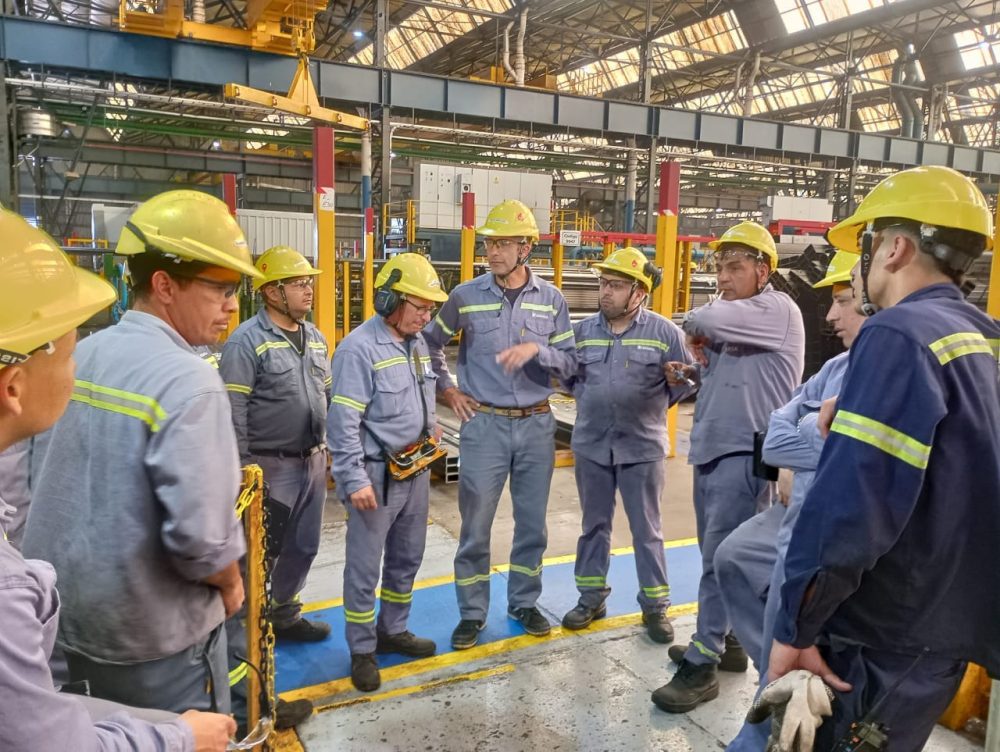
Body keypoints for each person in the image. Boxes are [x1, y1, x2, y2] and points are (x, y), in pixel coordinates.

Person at [768, 165, 1000, 751]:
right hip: (947, 628)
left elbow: (853, 509)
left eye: (868, 244)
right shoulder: (984, 336)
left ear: (895, 247)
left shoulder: (898, 333)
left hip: (884, 633)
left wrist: (798, 625)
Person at [0, 208, 236, 751]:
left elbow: (23, 478)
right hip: (152, 638)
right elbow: (201, 539)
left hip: (66, 622)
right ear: (163, 285)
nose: (231, 304)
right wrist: (230, 582)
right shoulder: (190, 382)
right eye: (220, 287)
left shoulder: (91, 352)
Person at [652, 220, 805, 714]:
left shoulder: (775, 308)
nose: (723, 276)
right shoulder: (744, 315)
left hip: (745, 451)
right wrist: (692, 371)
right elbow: (724, 369)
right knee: (714, 554)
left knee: (720, 559)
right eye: (719, 266)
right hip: (715, 447)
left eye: (735, 267)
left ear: (764, 270)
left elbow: (705, 322)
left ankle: (702, 664)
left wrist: (696, 323)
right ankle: (730, 642)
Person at [717, 251, 865, 751]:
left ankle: (763, 725)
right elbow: (775, 440)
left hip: (825, 524)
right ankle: (780, 680)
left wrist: (798, 435)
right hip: (793, 506)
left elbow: (841, 456)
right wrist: (806, 433)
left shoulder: (887, 375)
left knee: (796, 610)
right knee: (733, 558)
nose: (830, 315)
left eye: (843, 301)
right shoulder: (839, 367)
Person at [423, 199, 577, 650]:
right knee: (475, 525)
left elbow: (569, 363)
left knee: (532, 525)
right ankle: (472, 613)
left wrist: (539, 353)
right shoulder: (464, 297)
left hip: (535, 426)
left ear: (527, 248)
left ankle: (524, 603)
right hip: (484, 425)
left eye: (504, 243)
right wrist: (447, 390)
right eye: (491, 243)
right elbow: (429, 344)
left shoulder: (552, 301)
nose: (493, 252)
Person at [328, 253, 449, 692]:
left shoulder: (417, 344)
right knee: (364, 567)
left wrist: (431, 425)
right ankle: (362, 649)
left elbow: (423, 394)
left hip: (414, 472)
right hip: (376, 479)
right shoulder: (358, 349)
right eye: (419, 306)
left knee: (406, 559)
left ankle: (393, 629)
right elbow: (342, 422)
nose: (426, 315)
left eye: (430, 307)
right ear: (387, 300)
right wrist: (353, 478)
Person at [559, 247, 693, 643]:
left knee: (646, 529)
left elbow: (686, 382)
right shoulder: (581, 333)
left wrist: (661, 397)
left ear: (638, 293)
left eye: (615, 285)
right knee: (593, 526)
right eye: (603, 284)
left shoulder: (665, 333)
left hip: (642, 449)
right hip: (592, 446)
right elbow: (568, 381)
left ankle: (654, 607)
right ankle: (591, 598)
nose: (605, 292)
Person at [220, 245, 331, 642]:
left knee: (304, 545)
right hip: (270, 466)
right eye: (299, 284)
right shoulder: (245, 343)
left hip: (313, 462)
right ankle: (249, 628)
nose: (308, 291)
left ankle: (284, 614)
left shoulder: (316, 338)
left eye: (308, 284)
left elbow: (328, 396)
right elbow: (234, 410)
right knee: (260, 552)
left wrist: (331, 448)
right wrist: (244, 471)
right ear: (271, 292)